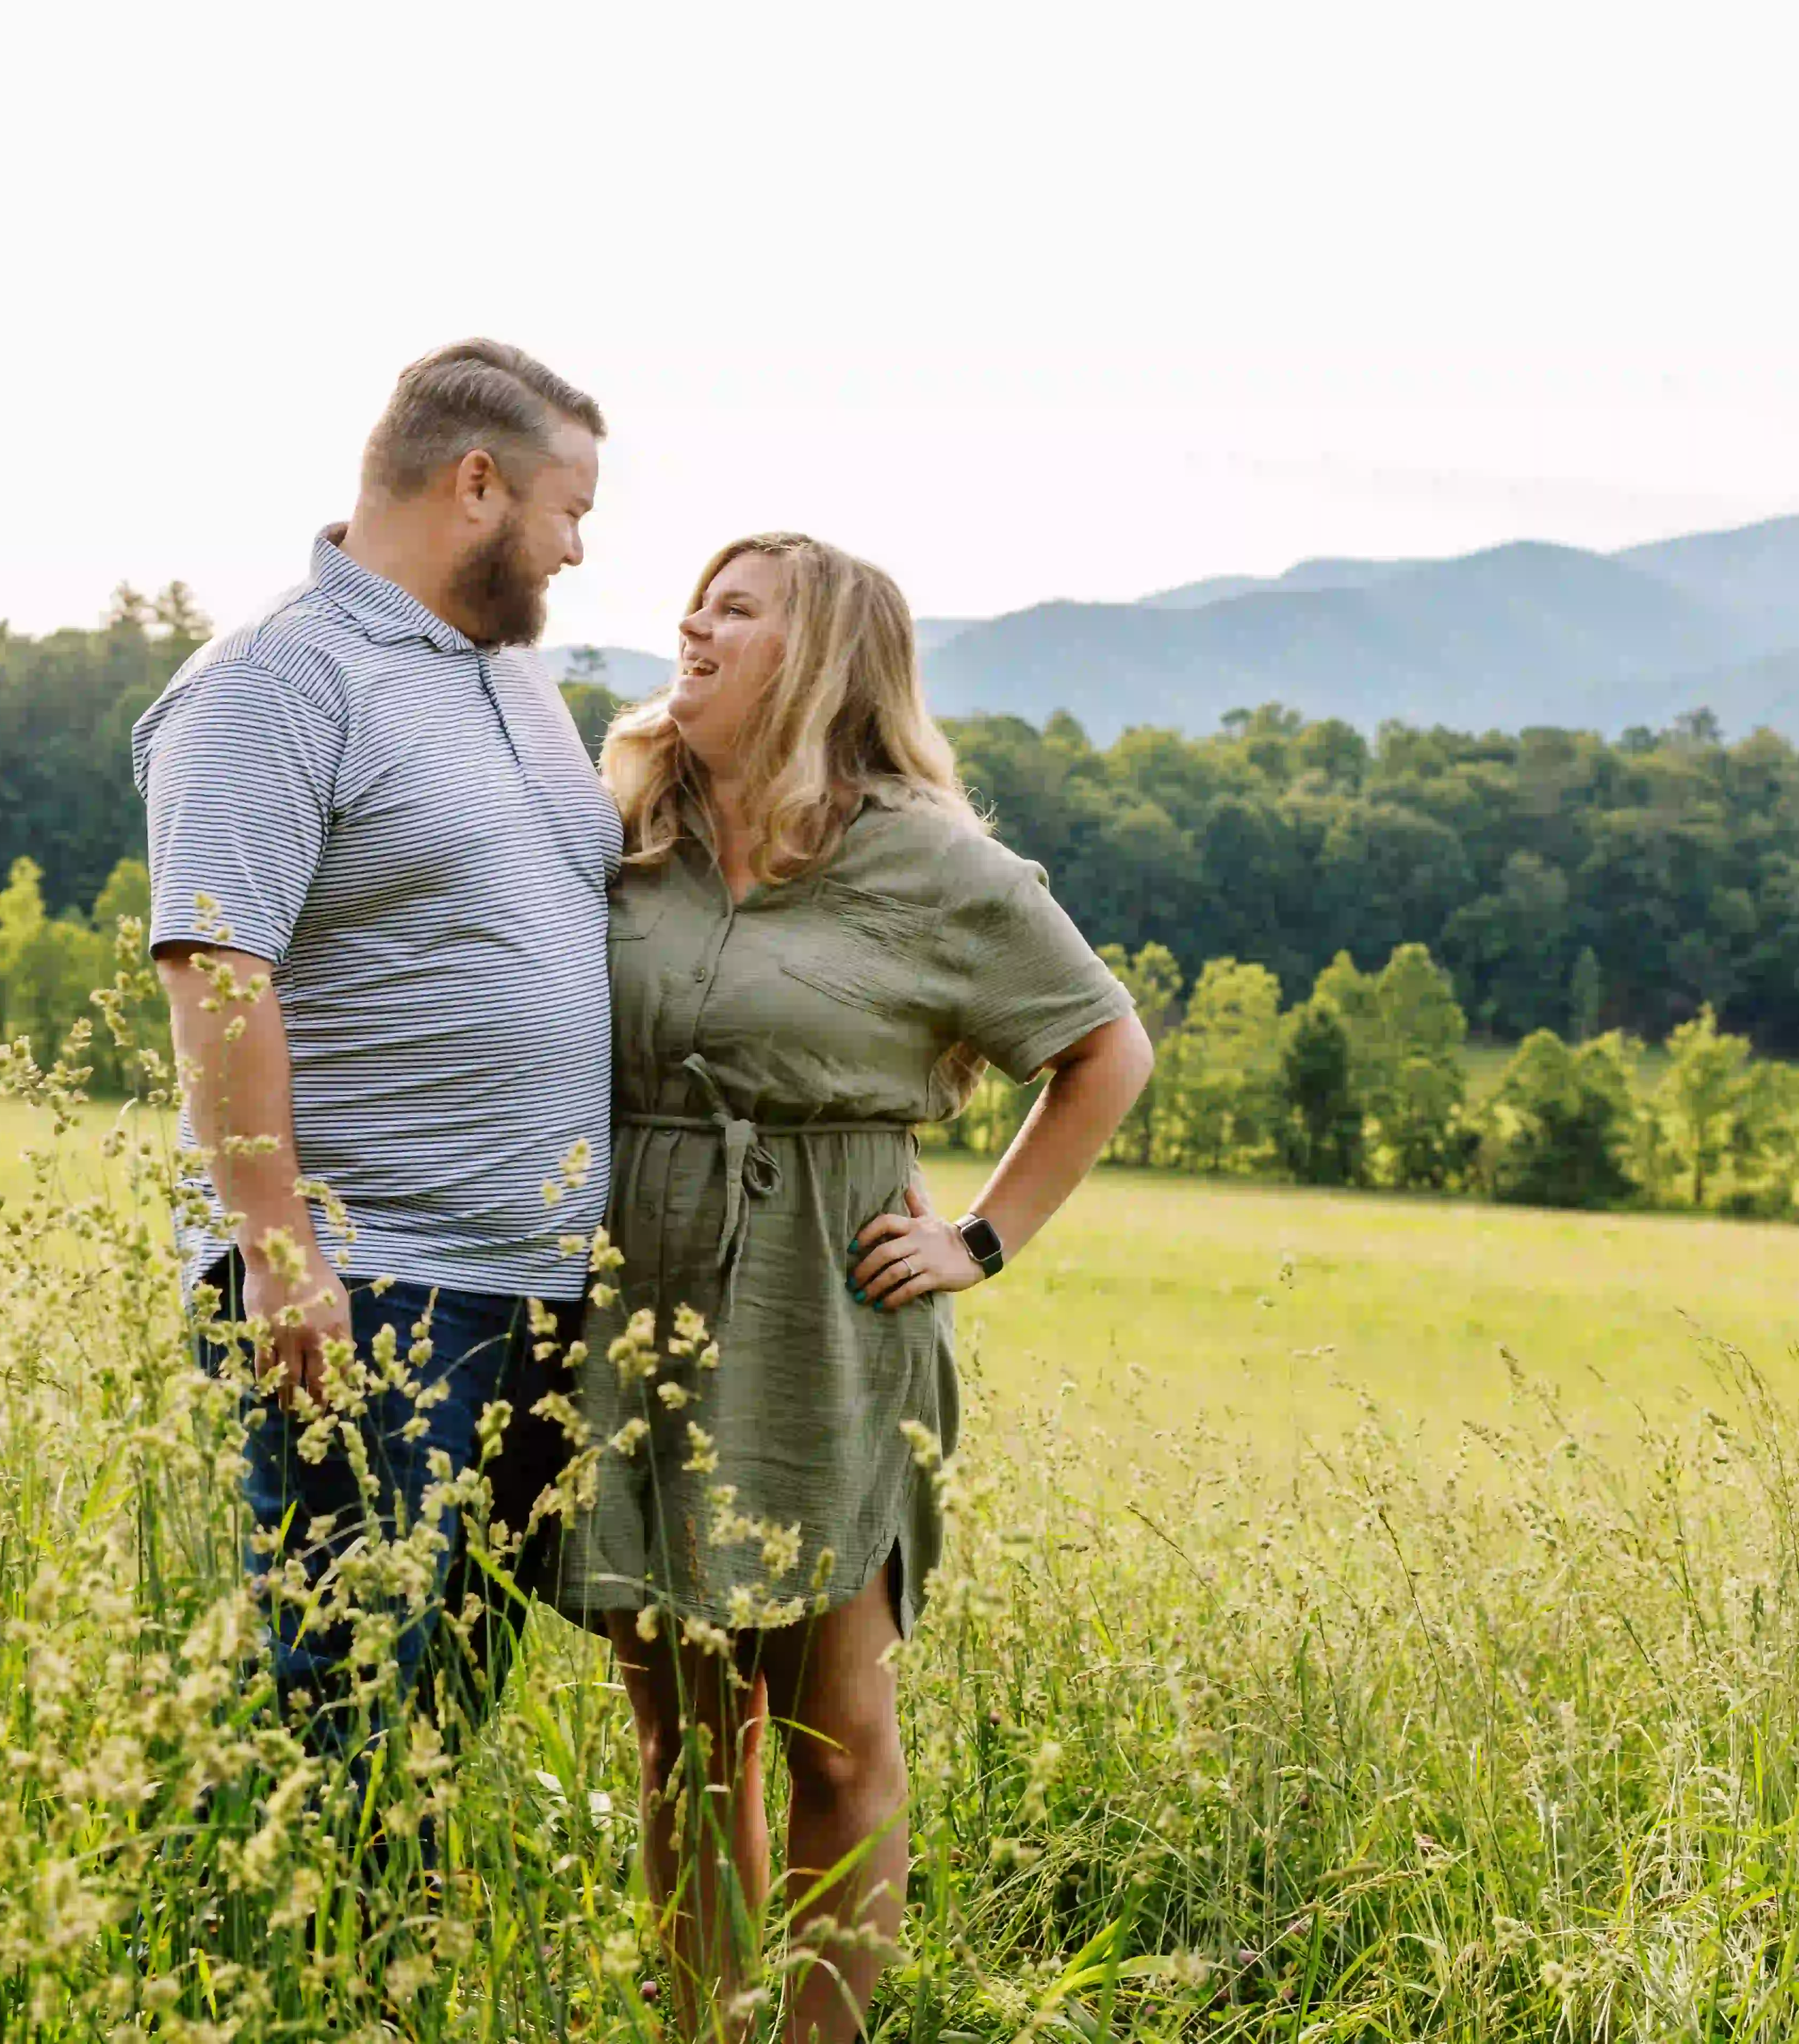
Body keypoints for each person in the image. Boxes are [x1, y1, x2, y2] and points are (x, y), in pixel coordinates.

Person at [549, 533, 1154, 2041]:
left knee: (827, 1736)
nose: (692, 625)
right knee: (686, 1747)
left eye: (734, 609)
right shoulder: (630, 817)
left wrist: (983, 1239)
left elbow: (1105, 1051)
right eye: (696, 601)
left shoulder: (928, 856)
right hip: (642, 1298)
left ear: (817, 656)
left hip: (829, 1307)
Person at [133, 339, 615, 1796]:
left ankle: (394, 1978)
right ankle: (303, 1986)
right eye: (567, 511)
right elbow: (218, 969)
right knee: (343, 1691)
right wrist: (278, 1253)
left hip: (534, 1279)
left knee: (449, 1696)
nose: (578, 551)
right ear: (478, 483)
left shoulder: (515, 683)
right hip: (372, 1278)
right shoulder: (275, 681)